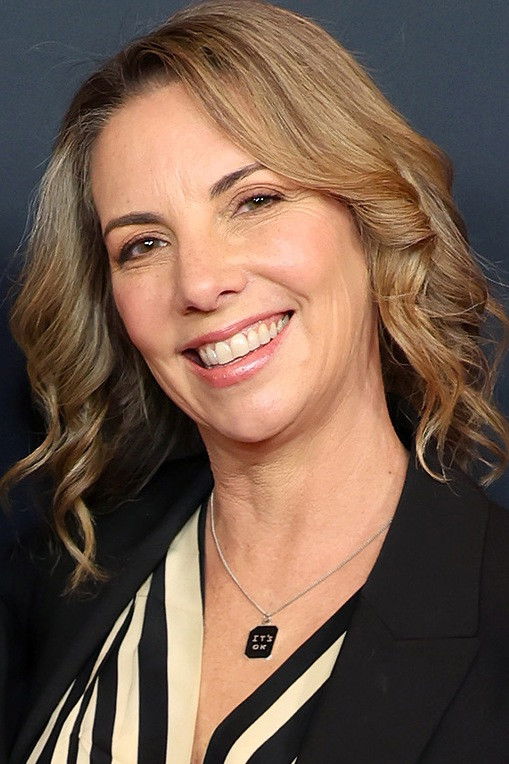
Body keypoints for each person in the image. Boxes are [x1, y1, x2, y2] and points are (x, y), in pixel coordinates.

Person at [2, 0, 509, 761]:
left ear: (369, 219)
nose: (199, 284)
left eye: (254, 201)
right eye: (143, 244)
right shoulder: (51, 583)